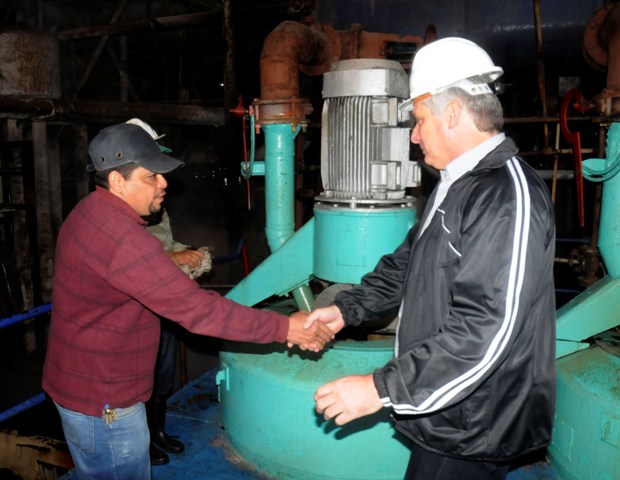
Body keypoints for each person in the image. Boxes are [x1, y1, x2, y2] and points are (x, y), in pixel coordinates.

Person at [306, 37, 556, 480]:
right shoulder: (455, 184)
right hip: (448, 407)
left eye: (420, 120)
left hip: (478, 419)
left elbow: (487, 328)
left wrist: (381, 389)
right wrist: (345, 311)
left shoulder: (504, 194)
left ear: (454, 113)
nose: (415, 135)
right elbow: (408, 264)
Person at [42, 122, 332, 479]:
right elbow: (198, 311)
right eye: (151, 176)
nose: (164, 183)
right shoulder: (123, 239)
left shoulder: (89, 212)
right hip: (105, 403)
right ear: (118, 181)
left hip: (81, 388)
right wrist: (286, 326)